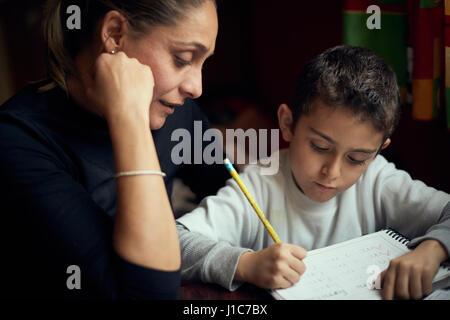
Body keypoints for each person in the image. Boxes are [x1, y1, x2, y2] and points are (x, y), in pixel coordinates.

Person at [176, 45, 450, 300]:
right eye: (320, 146)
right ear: (287, 123)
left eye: (356, 158)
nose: (332, 171)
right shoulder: (258, 186)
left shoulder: (377, 179)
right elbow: (174, 242)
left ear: (378, 150)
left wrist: (434, 248)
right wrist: (245, 264)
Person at [0, 0, 228, 299]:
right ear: (115, 34)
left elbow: (232, 193)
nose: (196, 87)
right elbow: (151, 294)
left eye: (203, 62)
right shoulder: (18, 140)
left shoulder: (174, 111)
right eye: (183, 58)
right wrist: (128, 116)